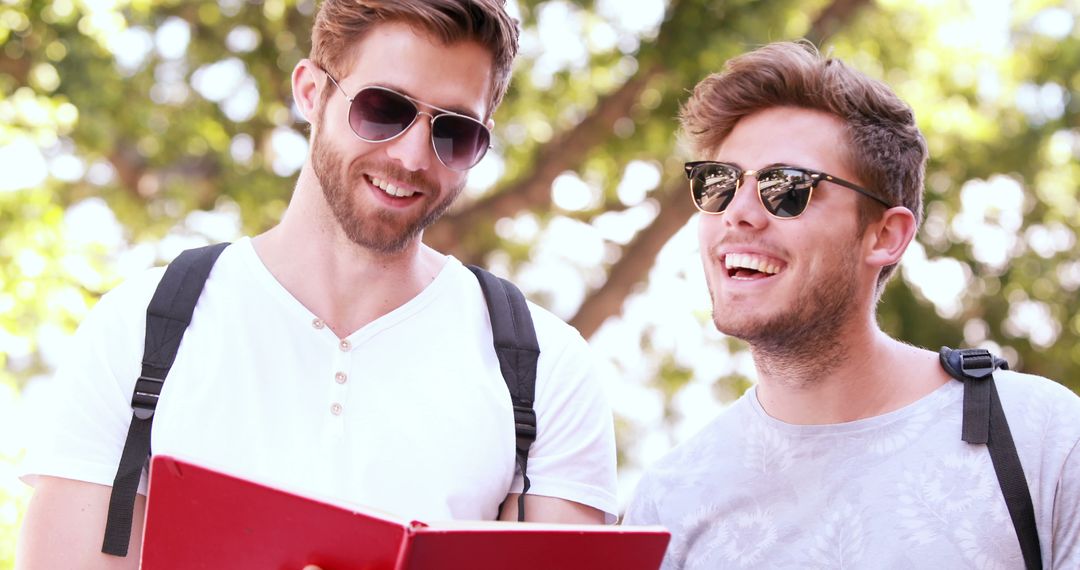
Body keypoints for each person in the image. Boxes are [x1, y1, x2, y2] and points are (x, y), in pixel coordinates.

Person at [16, 1, 618, 566]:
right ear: (311, 91)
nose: (411, 157)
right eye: (384, 108)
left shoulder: (548, 372)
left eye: (454, 131)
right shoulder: (141, 328)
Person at [624, 41, 1080, 568]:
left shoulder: (1043, 437)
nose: (739, 213)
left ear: (885, 235)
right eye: (719, 183)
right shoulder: (669, 502)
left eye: (786, 188)